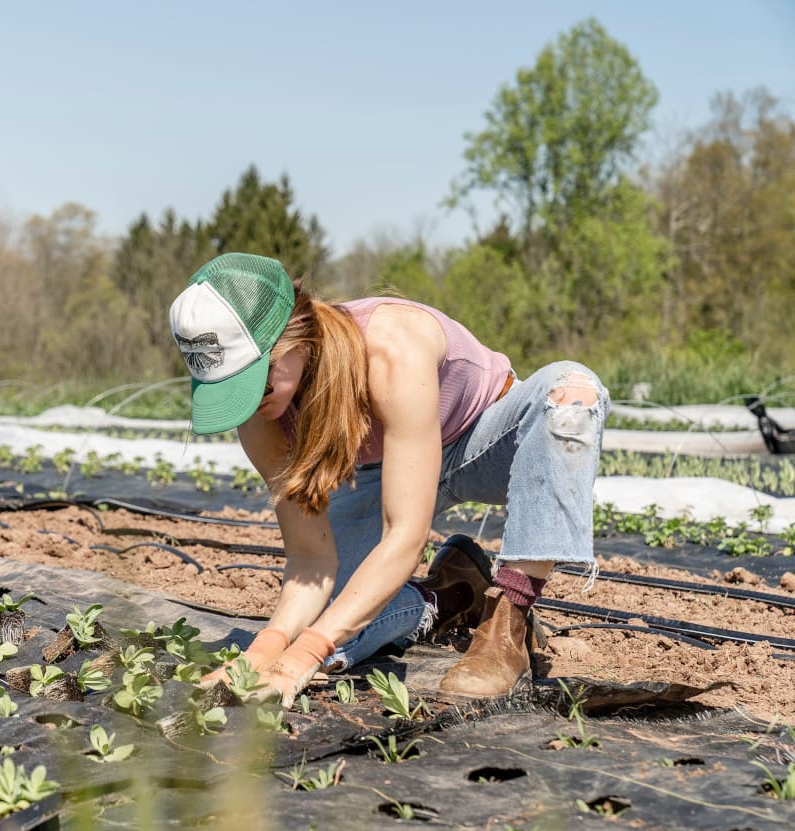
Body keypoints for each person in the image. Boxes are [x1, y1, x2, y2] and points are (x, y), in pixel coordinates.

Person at [169, 252, 608, 706]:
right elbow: (311, 559)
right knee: (333, 624)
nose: (250, 402)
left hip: (487, 442)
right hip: (388, 471)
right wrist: (267, 649)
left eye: (254, 381)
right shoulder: (261, 415)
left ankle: (508, 620)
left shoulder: (389, 347)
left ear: (293, 337)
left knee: (571, 393)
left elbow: (405, 537)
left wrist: (305, 654)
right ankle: (448, 595)